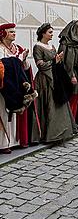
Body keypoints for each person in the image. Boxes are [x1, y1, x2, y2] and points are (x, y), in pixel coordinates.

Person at [33, 23, 76, 144]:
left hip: (55, 77)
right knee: (49, 104)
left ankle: (61, 131)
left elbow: (55, 62)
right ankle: (49, 135)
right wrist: (54, 60)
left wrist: (58, 60)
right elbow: (40, 64)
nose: (52, 34)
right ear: (43, 33)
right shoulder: (38, 46)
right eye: (50, 32)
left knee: (58, 103)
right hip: (45, 80)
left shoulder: (51, 46)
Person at [0, 23, 40, 152]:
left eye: (14, 32)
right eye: (11, 32)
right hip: (4, 87)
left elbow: (26, 68)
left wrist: (23, 60)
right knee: (4, 114)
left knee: (15, 116)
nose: (14, 34)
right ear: (3, 34)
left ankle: (15, 141)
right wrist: (17, 60)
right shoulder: (1, 49)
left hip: (16, 87)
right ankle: (3, 144)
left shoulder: (18, 48)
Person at [58, 20, 78, 124]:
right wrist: (72, 75)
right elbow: (68, 62)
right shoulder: (67, 44)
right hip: (73, 75)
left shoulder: (75, 44)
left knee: (77, 99)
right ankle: (68, 124)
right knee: (72, 100)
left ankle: (73, 123)